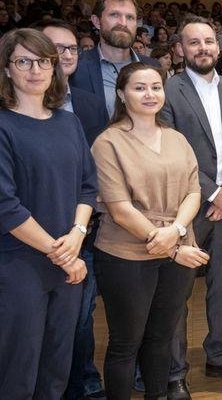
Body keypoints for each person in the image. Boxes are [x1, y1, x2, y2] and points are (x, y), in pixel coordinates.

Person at [91, 62, 209, 400]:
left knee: (161, 337)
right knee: (126, 343)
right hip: (125, 255)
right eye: (139, 87)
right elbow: (119, 208)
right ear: (121, 94)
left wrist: (175, 229)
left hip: (178, 250)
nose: (149, 94)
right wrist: (171, 245)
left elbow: (193, 192)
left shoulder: (176, 138)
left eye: (156, 87)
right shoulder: (108, 142)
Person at [0, 29, 96, 399]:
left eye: (44, 61)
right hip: (19, 265)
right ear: (7, 70)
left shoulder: (68, 123)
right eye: (23, 61)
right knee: (17, 370)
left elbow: (88, 187)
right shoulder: (4, 125)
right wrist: (61, 253)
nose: (35, 69)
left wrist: (76, 235)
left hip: (69, 259)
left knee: (56, 367)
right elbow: (6, 205)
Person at [161, 16, 222, 395]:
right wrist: (214, 193)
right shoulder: (167, 89)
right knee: (178, 295)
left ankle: (219, 355)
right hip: (184, 208)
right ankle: (175, 372)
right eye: (193, 42)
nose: (203, 48)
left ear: (218, 45)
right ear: (180, 49)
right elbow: (168, 151)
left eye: (209, 41)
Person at [33, 20, 109, 399]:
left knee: (78, 320)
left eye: (70, 49)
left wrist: (79, 231)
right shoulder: (12, 112)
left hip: (84, 232)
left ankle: (82, 384)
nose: (63, 55)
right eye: (53, 48)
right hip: (28, 239)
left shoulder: (90, 105)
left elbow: (92, 176)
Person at [69, 0, 159, 117]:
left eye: (130, 17)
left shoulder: (154, 67)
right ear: (96, 21)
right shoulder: (76, 68)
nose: (123, 23)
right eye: (114, 15)